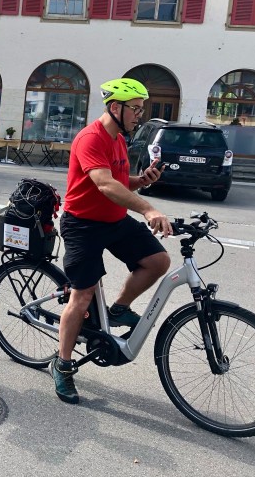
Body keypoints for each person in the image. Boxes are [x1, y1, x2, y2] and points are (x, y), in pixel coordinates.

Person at [51, 78, 173, 404]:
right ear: (115, 107)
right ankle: (62, 364)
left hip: (114, 220)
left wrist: (141, 181)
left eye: (141, 110)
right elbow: (104, 184)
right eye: (136, 109)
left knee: (158, 261)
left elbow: (117, 182)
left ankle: (118, 309)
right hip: (83, 225)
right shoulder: (90, 138)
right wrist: (148, 209)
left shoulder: (118, 139)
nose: (140, 116)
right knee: (82, 296)